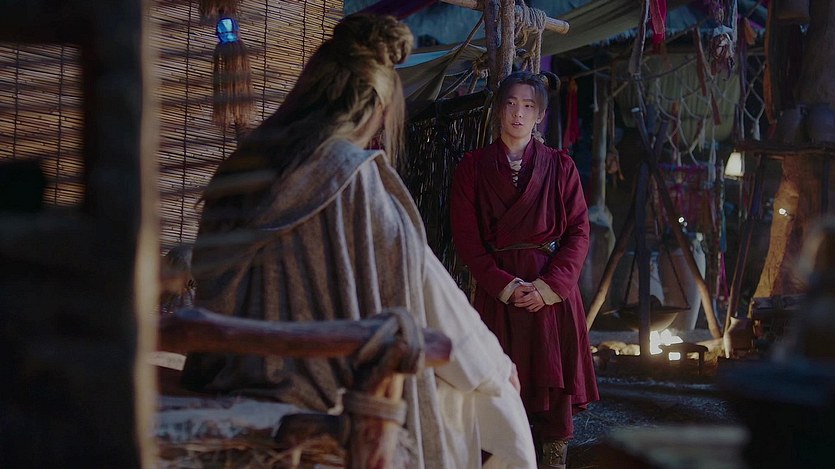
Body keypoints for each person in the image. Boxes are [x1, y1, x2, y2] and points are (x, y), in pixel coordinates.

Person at [180, 14, 536, 469]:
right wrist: (493, 366)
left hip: (223, 375)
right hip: (320, 397)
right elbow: (425, 287)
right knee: (483, 397)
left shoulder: (239, 168)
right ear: (374, 109)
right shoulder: (352, 180)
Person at [450, 71, 599, 469]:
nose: (518, 113)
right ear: (499, 110)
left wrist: (550, 287)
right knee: (496, 386)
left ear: (540, 116)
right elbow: (467, 239)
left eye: (528, 106)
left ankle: (552, 461)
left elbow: (579, 232)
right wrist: (505, 285)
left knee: (553, 392)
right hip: (499, 293)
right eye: (511, 104)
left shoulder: (560, 166)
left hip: (550, 295)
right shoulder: (473, 168)